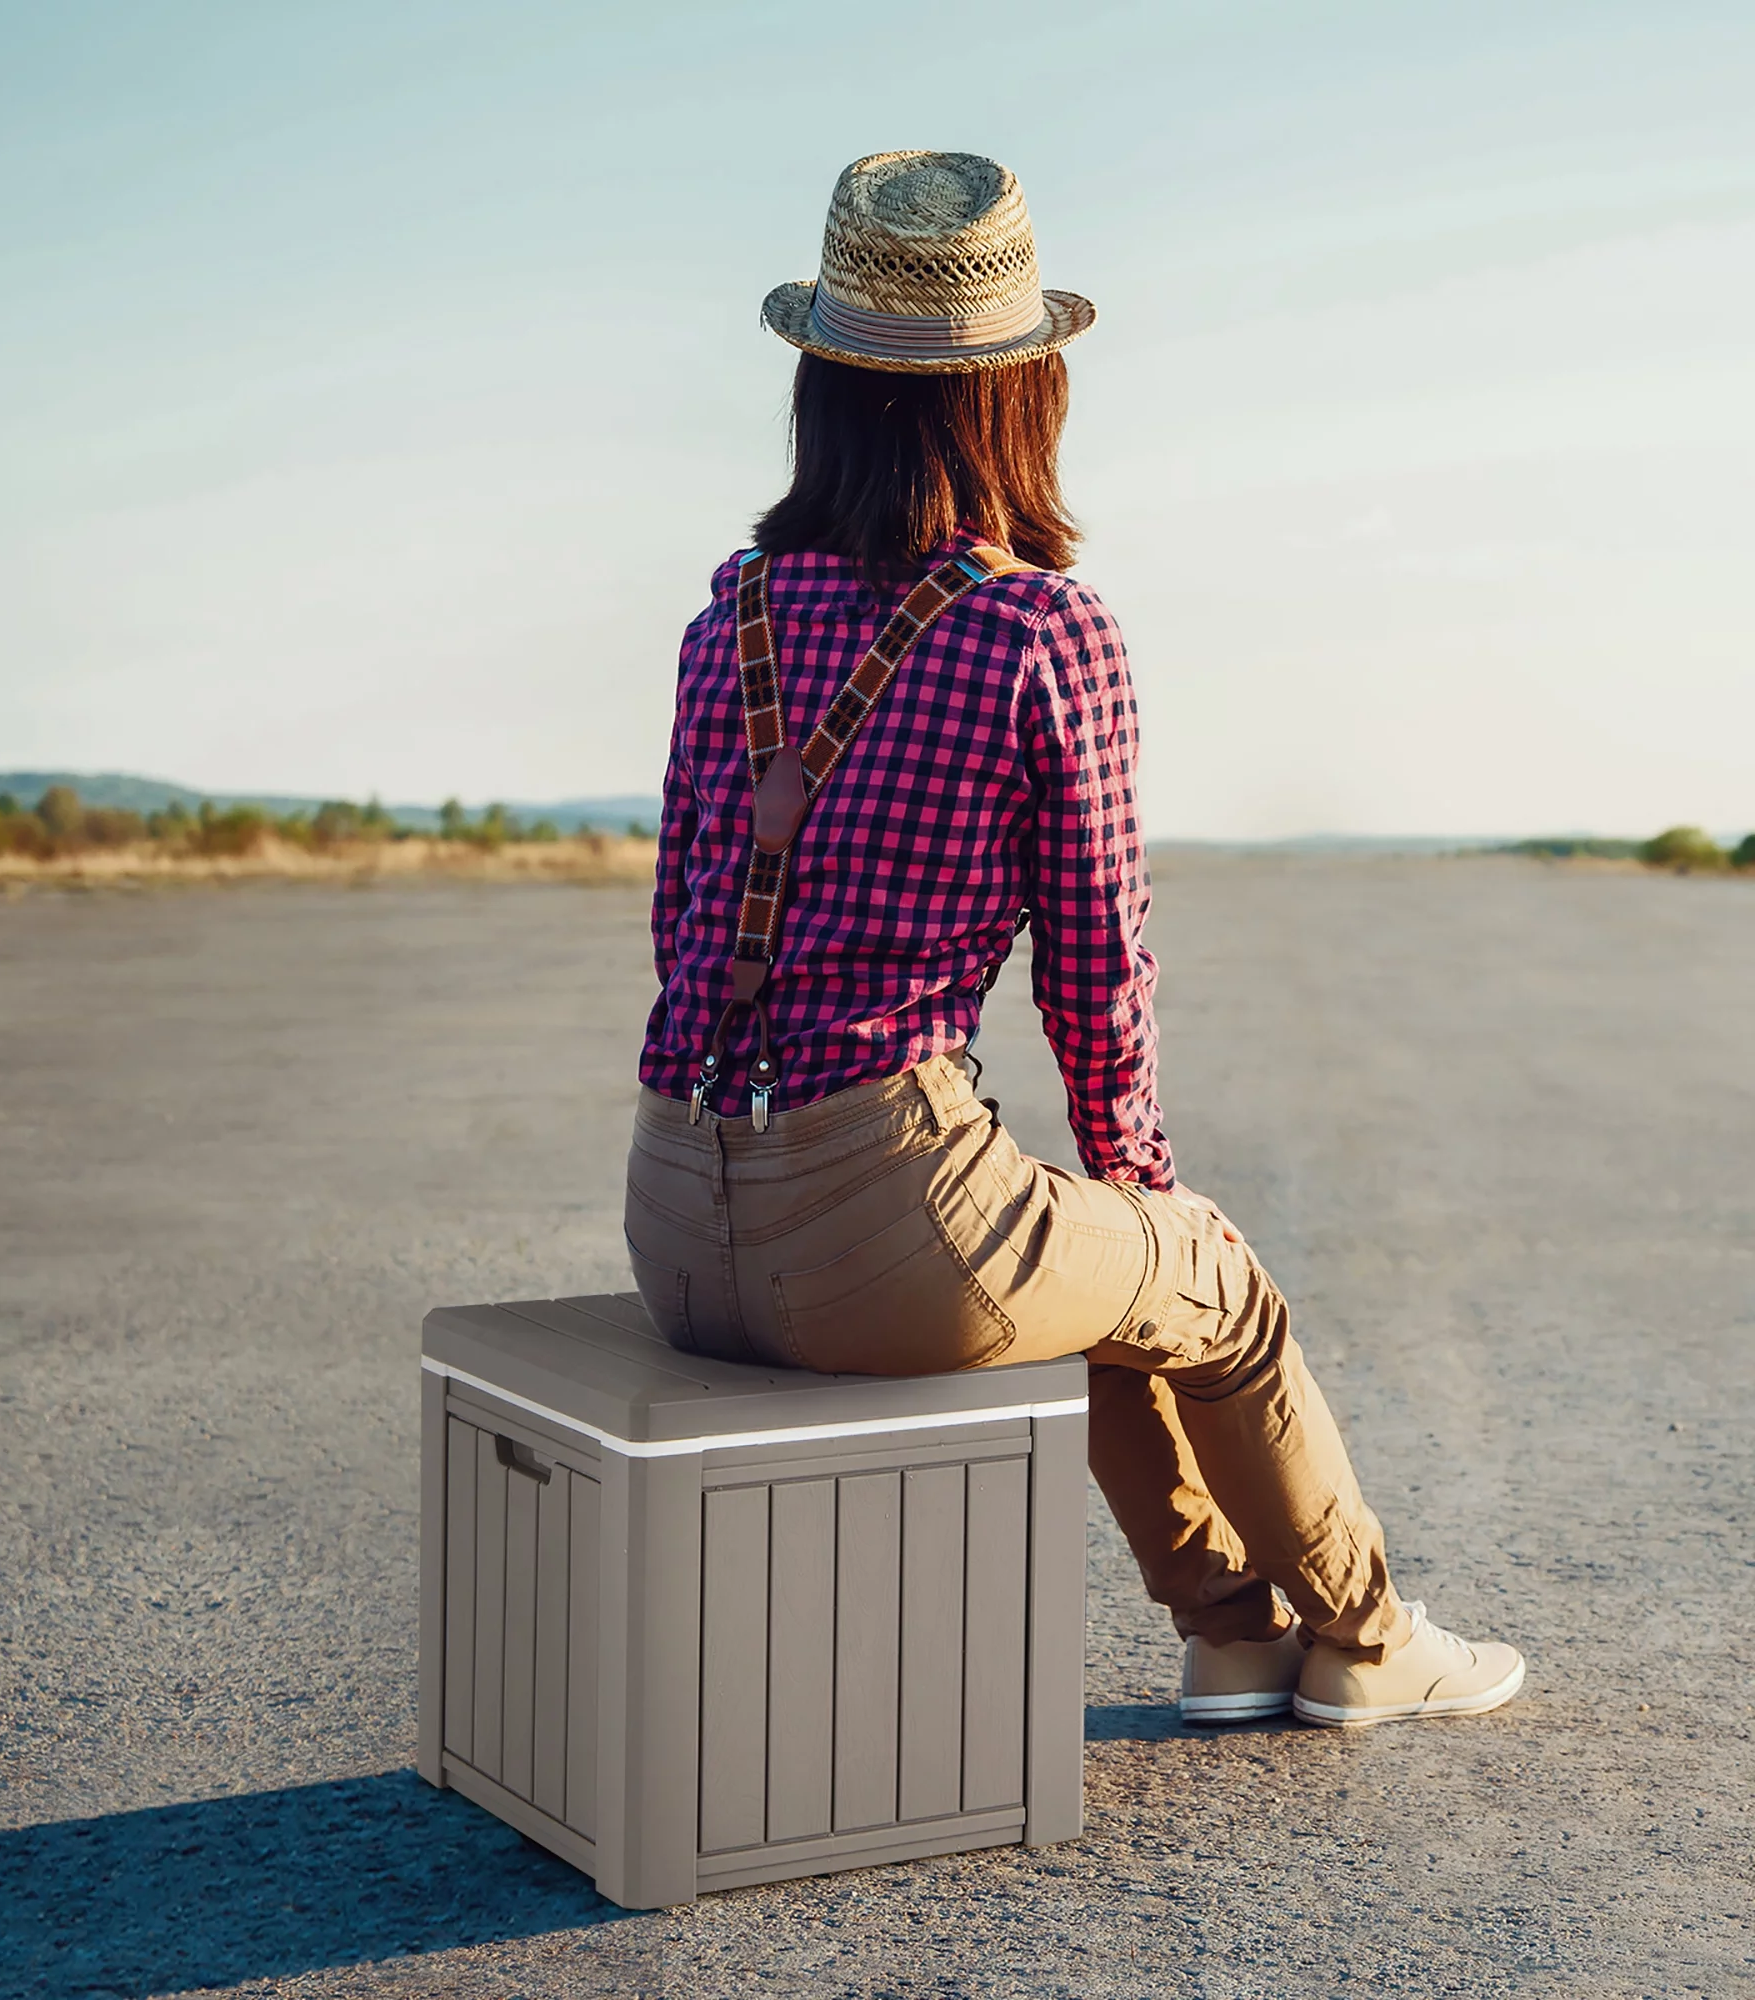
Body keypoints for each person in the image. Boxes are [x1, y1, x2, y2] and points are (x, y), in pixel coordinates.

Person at [625, 151, 1522, 1730]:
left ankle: (1236, 1639)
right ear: (1019, 394)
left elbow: (680, 918)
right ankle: (1373, 1646)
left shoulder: (732, 619)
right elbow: (1100, 968)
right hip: (878, 1233)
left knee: (1110, 1259)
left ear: (823, 390)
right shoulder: (1040, 628)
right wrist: (1144, 1175)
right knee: (1204, 1279)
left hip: (678, 1221)